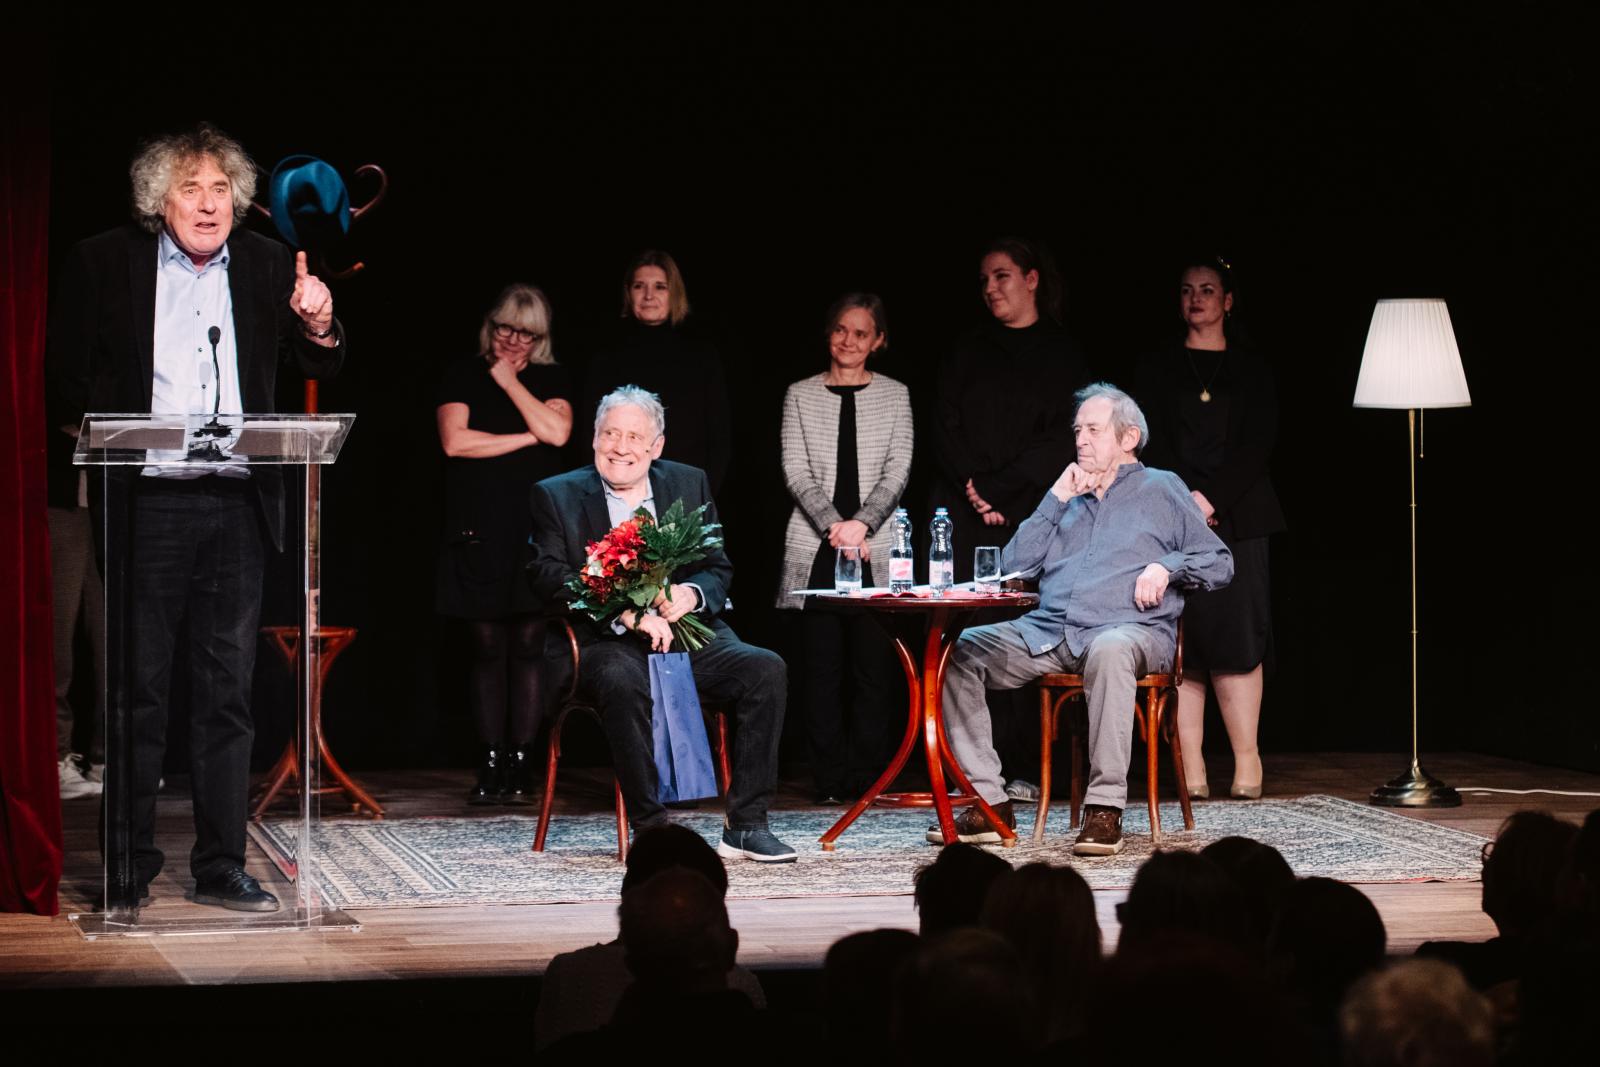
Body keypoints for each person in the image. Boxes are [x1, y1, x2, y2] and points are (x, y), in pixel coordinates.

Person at [44, 123, 345, 911]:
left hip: (237, 503)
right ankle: (126, 864)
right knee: (136, 693)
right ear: (160, 199)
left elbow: (319, 359)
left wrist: (319, 321)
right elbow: (63, 380)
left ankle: (221, 863)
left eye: (221, 190)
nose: (209, 205)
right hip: (145, 503)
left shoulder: (268, 263)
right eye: (191, 188)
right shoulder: (104, 260)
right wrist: (116, 430)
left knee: (226, 696)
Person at [933, 383, 1232, 855]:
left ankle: (1105, 808)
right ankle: (988, 801)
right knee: (958, 650)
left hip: (1131, 631)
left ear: (1128, 438)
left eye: (1093, 430)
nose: (1081, 440)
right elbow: (1010, 568)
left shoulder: (1161, 488)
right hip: (1051, 631)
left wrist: (1167, 566)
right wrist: (1054, 499)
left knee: (1110, 649)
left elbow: (1219, 562)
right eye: (1077, 431)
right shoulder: (1067, 497)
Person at [527, 386, 794, 862]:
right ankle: (652, 830)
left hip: (683, 636)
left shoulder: (688, 483)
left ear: (657, 446)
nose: (620, 447)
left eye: (634, 437)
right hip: (603, 642)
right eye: (611, 434)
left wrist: (690, 594)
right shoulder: (556, 494)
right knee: (621, 678)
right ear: (594, 438)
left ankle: (747, 825)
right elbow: (548, 576)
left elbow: (716, 567)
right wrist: (625, 611)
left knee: (765, 668)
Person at [930, 237, 1090, 801]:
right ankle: (972, 770)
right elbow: (945, 422)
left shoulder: (1063, 353)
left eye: (1001, 276)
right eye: (984, 279)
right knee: (967, 635)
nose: (990, 288)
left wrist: (1000, 488)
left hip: (1033, 512)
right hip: (968, 512)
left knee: (1029, 630)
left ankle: (1026, 766)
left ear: (1031, 279)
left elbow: (1064, 437)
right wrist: (976, 487)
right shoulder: (967, 348)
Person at [1135, 257, 1285, 799]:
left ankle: (1247, 760)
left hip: (1240, 516)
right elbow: (1150, 440)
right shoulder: (1158, 367)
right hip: (1174, 517)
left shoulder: (1252, 368)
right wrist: (1188, 502)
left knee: (1238, 637)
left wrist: (1213, 499)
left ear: (1227, 301)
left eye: (1206, 290)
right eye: (1186, 290)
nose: (1195, 298)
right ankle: (1191, 765)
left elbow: (1257, 443)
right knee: (1187, 640)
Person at [435, 284, 572, 805]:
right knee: (488, 648)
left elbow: (559, 433)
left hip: (534, 531)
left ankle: (521, 761)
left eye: (525, 333)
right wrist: (526, 436)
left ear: (541, 337)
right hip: (479, 529)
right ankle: (491, 760)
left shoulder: (552, 379)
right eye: (505, 328)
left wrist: (510, 383)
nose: (513, 340)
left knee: (530, 646)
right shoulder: (462, 374)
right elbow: (455, 441)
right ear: (490, 326)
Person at [776, 293, 912, 801]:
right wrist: (837, 527)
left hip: (876, 548)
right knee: (821, 671)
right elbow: (795, 469)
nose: (848, 341)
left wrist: (863, 525)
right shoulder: (799, 394)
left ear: (878, 341)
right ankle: (829, 781)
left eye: (860, 333)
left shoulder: (895, 394)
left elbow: (899, 469)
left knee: (874, 670)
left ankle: (869, 779)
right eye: (840, 330)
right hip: (816, 546)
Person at [582, 250, 731, 493]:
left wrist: (702, 495)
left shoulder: (702, 356)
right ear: (628, 293)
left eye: (660, 287)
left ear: (674, 293)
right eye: (639, 286)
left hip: (684, 493)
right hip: (616, 492)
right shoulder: (606, 357)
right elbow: (590, 434)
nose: (649, 295)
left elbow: (719, 438)